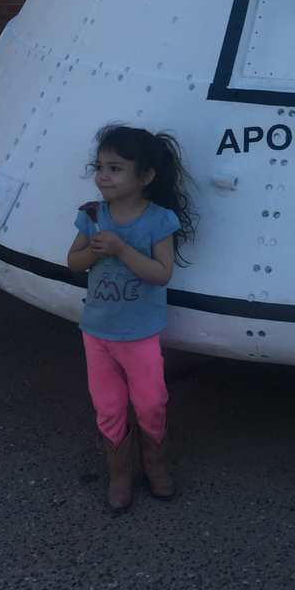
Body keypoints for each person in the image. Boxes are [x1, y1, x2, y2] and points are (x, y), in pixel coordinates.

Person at [68, 124, 195, 510]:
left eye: (116, 168)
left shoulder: (159, 220)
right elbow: (74, 263)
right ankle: (119, 473)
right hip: (98, 332)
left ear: (145, 177)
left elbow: (162, 274)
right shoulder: (91, 215)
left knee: (152, 402)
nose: (104, 175)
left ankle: (154, 464)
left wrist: (121, 249)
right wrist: (95, 250)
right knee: (107, 406)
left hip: (140, 335)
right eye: (100, 166)